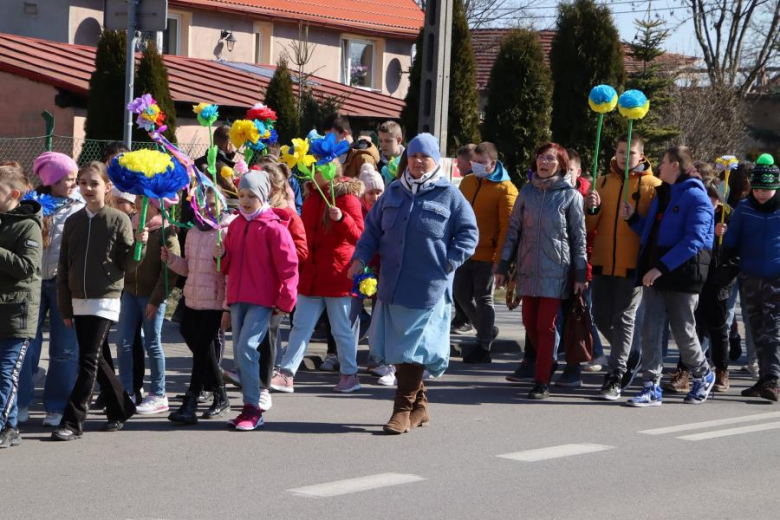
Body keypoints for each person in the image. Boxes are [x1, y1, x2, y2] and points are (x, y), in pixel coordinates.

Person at [349, 133, 478, 434]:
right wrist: (360, 258)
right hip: (393, 285)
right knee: (399, 349)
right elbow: (371, 233)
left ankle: (402, 409)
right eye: (413, 155)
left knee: (411, 349)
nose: (418, 161)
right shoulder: (393, 192)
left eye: (425, 156)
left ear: (435, 160)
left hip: (428, 288)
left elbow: (469, 234)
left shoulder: (449, 194)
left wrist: (448, 261)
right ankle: (420, 407)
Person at [52, 162, 147, 441]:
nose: (87, 188)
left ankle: (73, 420)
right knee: (98, 359)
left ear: (107, 187)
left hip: (105, 298)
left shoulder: (118, 219)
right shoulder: (73, 221)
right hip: (78, 299)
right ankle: (121, 408)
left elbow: (128, 265)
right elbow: (64, 266)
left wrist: (139, 245)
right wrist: (65, 305)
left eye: (94, 183)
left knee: (88, 360)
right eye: (83, 183)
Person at [621, 146, 715, 407]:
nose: (659, 167)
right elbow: (653, 234)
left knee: (683, 331)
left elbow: (694, 241)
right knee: (650, 328)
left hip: (682, 273)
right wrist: (634, 220)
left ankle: (703, 373)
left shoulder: (697, 196)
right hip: (657, 271)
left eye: (663, 162)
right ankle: (651, 386)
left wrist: (660, 267)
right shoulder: (663, 194)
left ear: (675, 165)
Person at [496, 143, 588, 400]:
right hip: (527, 269)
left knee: (545, 325)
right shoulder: (526, 192)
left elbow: (578, 239)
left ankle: (541, 381)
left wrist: (581, 275)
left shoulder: (571, 196)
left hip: (556, 270)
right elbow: (513, 231)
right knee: (529, 323)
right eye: (540, 157)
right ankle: (548, 361)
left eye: (549, 158)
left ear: (560, 163)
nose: (543, 162)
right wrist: (504, 265)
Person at [271, 160, 365, 393]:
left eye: (318, 168)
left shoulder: (347, 198)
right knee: (300, 327)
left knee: (341, 329)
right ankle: (287, 374)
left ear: (331, 171)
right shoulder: (312, 198)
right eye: (311, 169)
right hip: (312, 276)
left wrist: (342, 219)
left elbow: (360, 236)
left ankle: (349, 374)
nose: (313, 172)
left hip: (336, 276)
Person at [217, 170, 298, 430]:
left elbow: (289, 268)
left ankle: (253, 409)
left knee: (246, 349)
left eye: (251, 195)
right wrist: (221, 255)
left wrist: (284, 302)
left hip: (263, 301)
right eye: (241, 195)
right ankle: (249, 407)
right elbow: (227, 266)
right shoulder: (237, 224)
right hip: (239, 298)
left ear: (264, 195)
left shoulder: (274, 228)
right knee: (241, 355)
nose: (245, 200)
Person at [585, 133, 661, 400]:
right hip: (604, 261)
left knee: (625, 319)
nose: (623, 156)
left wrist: (635, 217)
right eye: (619, 151)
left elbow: (655, 230)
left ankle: (615, 376)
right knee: (602, 317)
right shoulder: (602, 182)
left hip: (633, 266)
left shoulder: (653, 185)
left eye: (630, 152)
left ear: (641, 155)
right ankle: (629, 353)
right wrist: (592, 210)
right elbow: (590, 227)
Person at [17, 153, 82, 428]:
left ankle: (56, 406)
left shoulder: (79, 206)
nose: (74, 183)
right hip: (31, 283)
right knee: (25, 346)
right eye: (68, 179)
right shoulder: (31, 204)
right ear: (52, 181)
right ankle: (19, 403)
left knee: (64, 349)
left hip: (63, 284)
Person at [165, 187, 236, 425]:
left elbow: (228, 273)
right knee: (196, 343)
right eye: (204, 205)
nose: (208, 209)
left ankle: (191, 401)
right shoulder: (194, 232)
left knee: (203, 348)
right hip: (192, 298)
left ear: (223, 206)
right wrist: (172, 261)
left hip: (214, 301)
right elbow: (189, 268)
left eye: (213, 204)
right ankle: (221, 395)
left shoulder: (225, 232)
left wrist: (227, 307)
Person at [665, 177, 733, 394]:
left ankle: (722, 369)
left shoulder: (727, 216)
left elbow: (735, 248)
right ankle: (684, 371)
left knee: (718, 325)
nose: (712, 202)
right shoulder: (698, 211)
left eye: (715, 199)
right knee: (692, 325)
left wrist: (724, 237)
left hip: (718, 277)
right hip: (696, 276)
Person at [721, 158, 780, 401]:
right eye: (757, 189)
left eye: (766, 190)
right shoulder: (745, 208)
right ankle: (764, 378)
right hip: (749, 277)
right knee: (756, 328)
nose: (761, 194)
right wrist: (723, 238)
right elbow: (732, 240)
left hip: (776, 278)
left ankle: (773, 379)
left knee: (773, 328)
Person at [115, 197, 180, 415]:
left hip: (151, 296)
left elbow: (170, 270)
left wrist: (156, 299)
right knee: (123, 342)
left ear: (155, 206)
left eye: (144, 201)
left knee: (152, 343)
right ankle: (127, 390)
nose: (138, 204)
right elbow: (124, 260)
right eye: (138, 200)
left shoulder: (165, 231)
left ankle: (159, 394)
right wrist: (136, 241)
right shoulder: (130, 225)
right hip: (130, 294)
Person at [454, 142, 517, 364]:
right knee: (460, 295)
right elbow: (457, 213)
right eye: (475, 163)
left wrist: (500, 261)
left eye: (482, 163)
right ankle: (486, 329)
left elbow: (507, 228)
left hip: (487, 255)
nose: (477, 167)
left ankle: (484, 346)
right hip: (464, 252)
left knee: (483, 298)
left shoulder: (505, 188)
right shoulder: (468, 182)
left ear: (493, 163)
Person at [0, 162, 42, 448]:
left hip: (18, 312)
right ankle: (11, 426)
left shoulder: (29, 226)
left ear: (14, 194)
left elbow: (27, 267)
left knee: (6, 373)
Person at [259, 162, 308, 410]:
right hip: (255, 284)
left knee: (269, 334)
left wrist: (277, 251)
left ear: (276, 188)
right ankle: (251, 376)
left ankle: (264, 383)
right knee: (250, 335)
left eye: (264, 187)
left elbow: (301, 252)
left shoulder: (289, 215)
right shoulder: (254, 213)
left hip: (277, 286)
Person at [358, 163, 395, 384]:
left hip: (382, 269)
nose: (375, 196)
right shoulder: (359, 210)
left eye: (379, 192)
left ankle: (380, 359)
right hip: (363, 268)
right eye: (370, 192)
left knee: (381, 315)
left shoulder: (385, 209)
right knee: (357, 314)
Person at [451, 144, 478, 335]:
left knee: (464, 289)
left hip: (475, 243)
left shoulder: (472, 182)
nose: (457, 166)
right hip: (465, 240)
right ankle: (462, 317)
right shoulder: (468, 182)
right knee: (459, 286)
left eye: (459, 163)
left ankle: (473, 321)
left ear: (469, 163)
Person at [194, 125, 239, 198]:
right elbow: (234, 195)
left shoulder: (197, 163)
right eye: (234, 144)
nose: (236, 148)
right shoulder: (222, 167)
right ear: (228, 145)